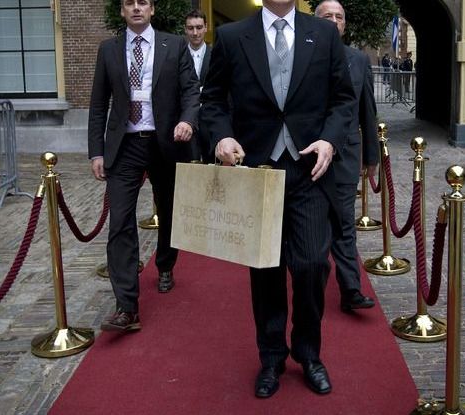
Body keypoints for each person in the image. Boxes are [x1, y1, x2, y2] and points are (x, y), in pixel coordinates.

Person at [200, 0, 355, 399]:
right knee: (266, 270)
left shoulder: (322, 34)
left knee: (310, 266)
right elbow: (213, 101)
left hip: (309, 170)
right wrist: (221, 137)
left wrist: (330, 140)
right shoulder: (234, 37)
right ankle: (271, 357)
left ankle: (309, 353)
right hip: (257, 173)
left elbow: (343, 99)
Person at [88, 0, 199, 332]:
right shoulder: (108, 50)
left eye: (143, 3)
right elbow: (97, 104)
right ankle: (126, 306)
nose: (136, 8)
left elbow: (191, 91)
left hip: (165, 141)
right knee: (120, 221)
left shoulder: (175, 45)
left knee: (168, 210)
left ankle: (165, 264)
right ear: (122, 11)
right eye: (129, 3)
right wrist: (97, 152)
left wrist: (187, 121)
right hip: (125, 146)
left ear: (151, 10)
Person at [315, 0, 377, 313]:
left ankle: (351, 289)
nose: (334, 21)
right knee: (314, 225)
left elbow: (367, 108)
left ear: (344, 25)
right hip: (308, 155)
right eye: (327, 16)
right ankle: (314, 283)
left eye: (339, 17)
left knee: (343, 223)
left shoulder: (358, 59)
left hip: (346, 154)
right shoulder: (305, 55)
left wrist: (371, 158)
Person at [184, 9, 213, 162]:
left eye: (199, 27)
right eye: (190, 28)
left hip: (210, 120)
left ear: (206, 27)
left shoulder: (216, 55)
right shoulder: (177, 56)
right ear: (185, 29)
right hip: (186, 122)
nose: (195, 33)